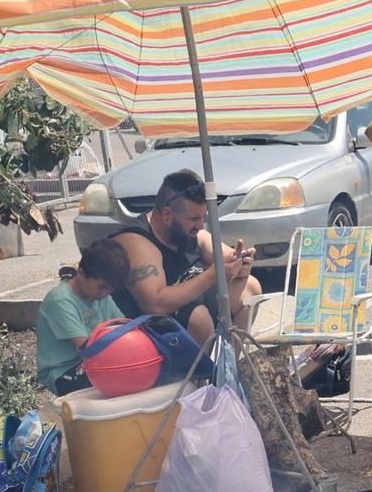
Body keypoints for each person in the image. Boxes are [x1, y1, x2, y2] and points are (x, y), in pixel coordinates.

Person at [110, 169, 259, 346]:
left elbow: (227, 257)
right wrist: (213, 274)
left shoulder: (189, 232)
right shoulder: (137, 241)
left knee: (250, 287)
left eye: (203, 217)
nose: (200, 225)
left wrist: (240, 263)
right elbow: (155, 305)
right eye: (193, 218)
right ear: (167, 215)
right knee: (199, 318)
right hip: (142, 328)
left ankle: (226, 369)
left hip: (188, 305)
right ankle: (200, 373)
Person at [37, 237, 129, 395]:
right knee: (122, 380)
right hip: (64, 371)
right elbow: (88, 347)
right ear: (81, 274)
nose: (106, 293)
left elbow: (125, 327)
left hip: (95, 363)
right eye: (102, 287)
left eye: (110, 289)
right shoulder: (60, 300)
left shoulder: (101, 296)